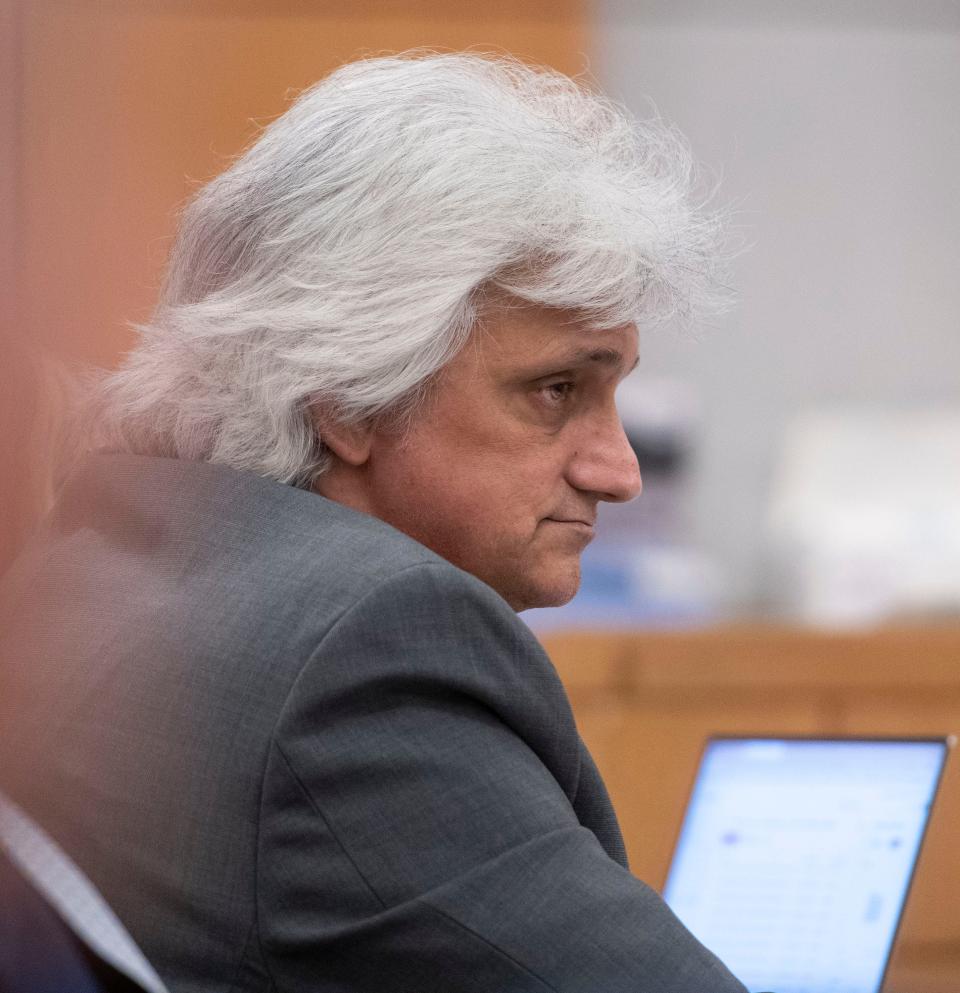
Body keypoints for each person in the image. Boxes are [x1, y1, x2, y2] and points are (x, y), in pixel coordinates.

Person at [0, 53, 744, 991]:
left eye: (613, 396)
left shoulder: (100, 546)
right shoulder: (365, 653)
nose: (621, 471)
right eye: (556, 390)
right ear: (345, 397)